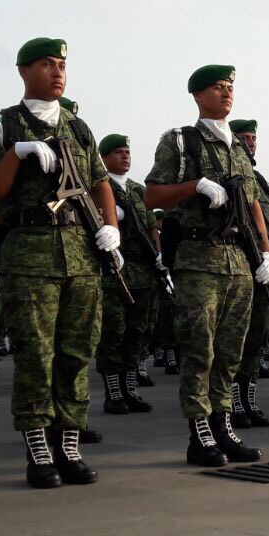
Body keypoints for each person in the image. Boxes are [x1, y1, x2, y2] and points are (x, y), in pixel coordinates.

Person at [0, 37, 117, 487]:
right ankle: (38, 448)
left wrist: (111, 229)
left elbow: (99, 183)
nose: (57, 72)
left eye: (61, 65)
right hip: (29, 251)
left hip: (81, 252)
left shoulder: (78, 127)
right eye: (46, 64)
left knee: (76, 352)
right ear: (23, 71)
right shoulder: (0, 124)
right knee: (36, 354)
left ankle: (68, 444)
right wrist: (17, 155)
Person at [145, 65, 269, 466]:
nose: (227, 93)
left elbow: (253, 203)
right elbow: (152, 195)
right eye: (218, 88)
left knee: (230, 352)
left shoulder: (238, 146)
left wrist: (266, 251)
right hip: (199, 260)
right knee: (199, 349)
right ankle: (199, 430)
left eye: (230, 87)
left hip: (239, 261)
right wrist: (193, 187)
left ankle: (223, 423)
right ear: (198, 96)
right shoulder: (181, 142)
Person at [96, 133, 161, 415]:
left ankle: (130, 388)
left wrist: (158, 256)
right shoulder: (97, 186)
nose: (125, 156)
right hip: (113, 271)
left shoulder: (138, 190)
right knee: (114, 331)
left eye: (127, 152)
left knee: (138, 331)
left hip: (142, 270)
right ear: (104, 158)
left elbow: (151, 228)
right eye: (119, 152)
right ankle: (113, 391)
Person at [230, 120, 269, 429]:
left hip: (262, 262)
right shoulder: (228, 175)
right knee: (237, 335)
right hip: (236, 261)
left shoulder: (258, 178)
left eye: (253, 138)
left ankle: (249, 398)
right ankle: (233, 401)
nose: (251, 142)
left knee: (259, 330)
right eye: (244, 138)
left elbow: (266, 221)